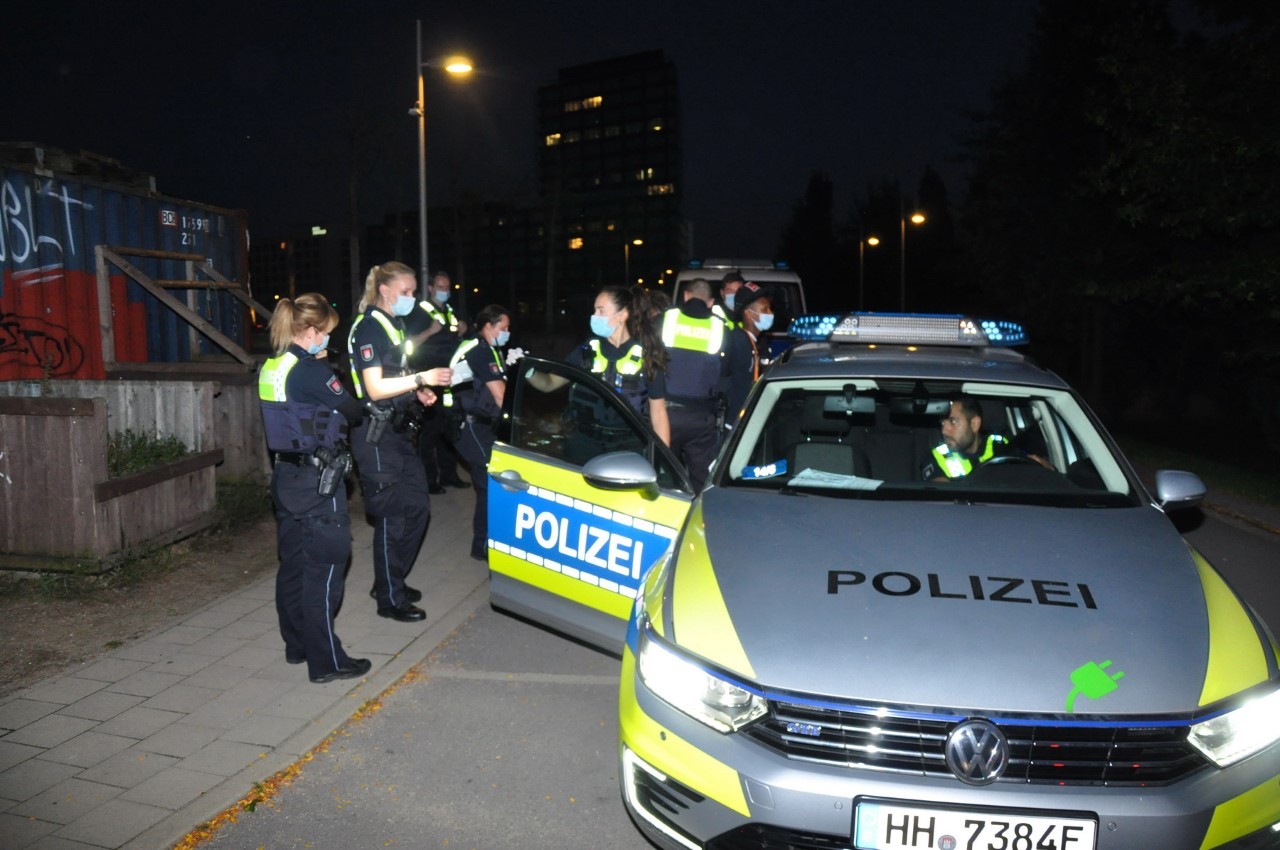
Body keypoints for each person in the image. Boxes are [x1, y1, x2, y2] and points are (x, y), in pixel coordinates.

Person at [258, 293, 370, 684]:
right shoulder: (311, 370)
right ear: (311, 331)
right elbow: (352, 410)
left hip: (286, 478)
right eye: (326, 333)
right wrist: (327, 369)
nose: (328, 341)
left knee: (293, 566)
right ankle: (327, 662)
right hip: (317, 482)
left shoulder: (274, 365)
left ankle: (298, 646)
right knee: (324, 570)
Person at [347, 262, 452, 622]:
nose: (412, 298)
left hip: (398, 432)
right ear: (386, 290)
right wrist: (422, 376)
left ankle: (389, 579)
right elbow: (375, 387)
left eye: (413, 292)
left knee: (418, 508)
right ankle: (389, 599)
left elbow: (397, 373)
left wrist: (418, 390)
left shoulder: (394, 325)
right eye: (406, 292)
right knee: (392, 517)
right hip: (374, 436)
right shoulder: (368, 328)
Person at [530, 286, 671, 461]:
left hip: (627, 448)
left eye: (601, 310)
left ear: (621, 315)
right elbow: (548, 383)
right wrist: (529, 371)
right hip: (583, 445)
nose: (594, 316)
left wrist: (663, 461)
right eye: (594, 310)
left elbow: (658, 414)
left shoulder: (646, 356)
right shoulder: (586, 351)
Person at [449, 304, 512, 561]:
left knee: (488, 484)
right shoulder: (480, 351)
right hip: (470, 424)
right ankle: (482, 546)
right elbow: (500, 396)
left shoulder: (485, 348)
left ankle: (487, 542)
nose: (507, 333)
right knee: (490, 484)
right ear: (489, 326)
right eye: (503, 328)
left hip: (478, 423)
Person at [660, 278, 730, 492]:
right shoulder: (720, 327)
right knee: (702, 482)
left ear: (686, 296)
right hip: (702, 418)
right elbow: (724, 373)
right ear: (710, 302)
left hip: (665, 415)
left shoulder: (666, 319)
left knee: (664, 478)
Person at [403, 270, 469, 494]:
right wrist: (430, 331)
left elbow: (454, 339)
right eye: (440, 287)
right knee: (428, 433)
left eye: (447, 287)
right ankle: (429, 481)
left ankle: (449, 476)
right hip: (427, 380)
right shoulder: (418, 312)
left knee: (448, 428)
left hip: (448, 379)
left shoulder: (449, 311)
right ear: (430, 288)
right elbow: (408, 344)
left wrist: (462, 329)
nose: (444, 291)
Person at [921, 397, 1014, 480]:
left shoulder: (1002, 445)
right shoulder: (938, 457)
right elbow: (941, 495)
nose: (944, 431)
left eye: (953, 421)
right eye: (942, 423)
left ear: (974, 424)